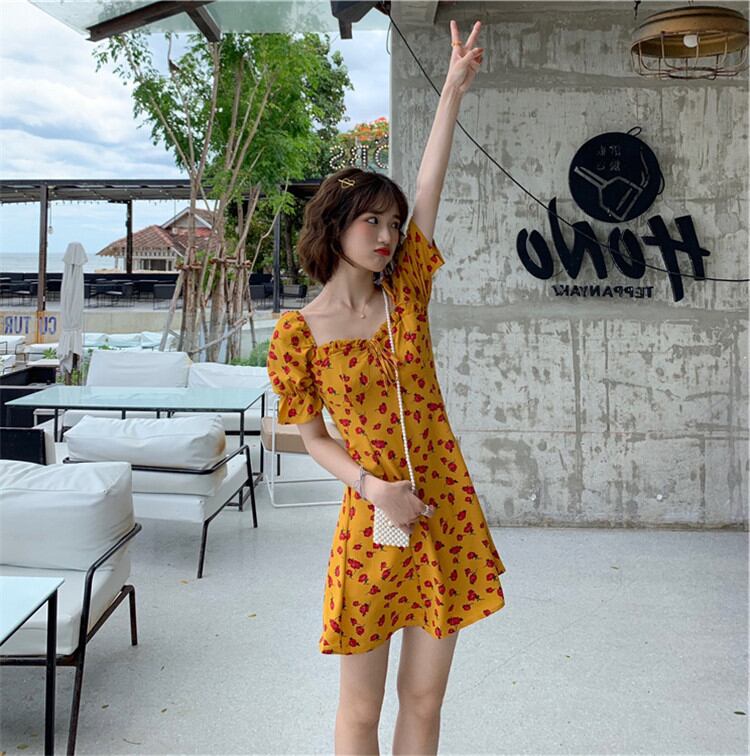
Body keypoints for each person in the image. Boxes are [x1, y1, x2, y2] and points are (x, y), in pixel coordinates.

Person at [266, 19, 506, 755]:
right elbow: (310, 438)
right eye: (371, 219)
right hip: (373, 521)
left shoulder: (406, 294)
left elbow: (429, 185)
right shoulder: (298, 333)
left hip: (444, 509)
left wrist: (453, 90)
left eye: (393, 224)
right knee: (360, 709)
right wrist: (374, 488)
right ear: (334, 226)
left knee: (425, 700)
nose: (386, 234)